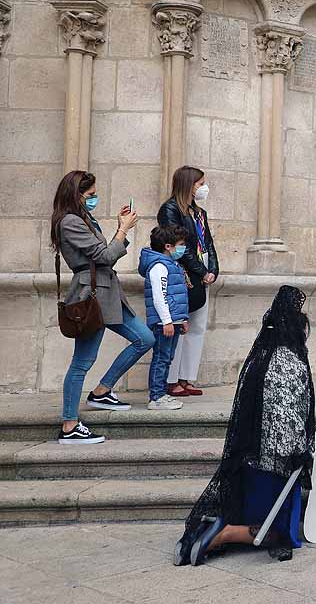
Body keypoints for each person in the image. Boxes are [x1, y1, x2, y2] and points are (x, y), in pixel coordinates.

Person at [175, 286, 315, 565]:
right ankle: (224, 535)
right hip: (276, 466)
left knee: (256, 513)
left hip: (249, 462)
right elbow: (286, 420)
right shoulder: (290, 362)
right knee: (281, 535)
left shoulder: (260, 356)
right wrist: (302, 451)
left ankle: (218, 530)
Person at [51, 170, 155, 445]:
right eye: (90, 195)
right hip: (91, 296)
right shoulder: (69, 222)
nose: (94, 199)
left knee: (144, 338)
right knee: (82, 362)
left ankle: (101, 391)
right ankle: (69, 425)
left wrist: (120, 227)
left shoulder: (83, 218)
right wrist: (123, 229)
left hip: (107, 294)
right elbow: (104, 256)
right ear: (76, 195)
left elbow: (103, 255)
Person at [158, 166, 219, 398]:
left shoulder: (199, 213)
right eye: (200, 183)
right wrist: (201, 271)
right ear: (188, 184)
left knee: (197, 327)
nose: (204, 187)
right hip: (183, 273)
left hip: (202, 273)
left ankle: (187, 378)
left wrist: (213, 269)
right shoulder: (170, 209)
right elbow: (178, 246)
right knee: (179, 326)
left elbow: (208, 244)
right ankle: (172, 380)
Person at [140, 225, 192, 411]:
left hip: (173, 321)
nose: (183, 248)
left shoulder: (172, 264)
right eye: (181, 244)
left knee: (167, 357)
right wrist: (167, 321)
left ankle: (161, 393)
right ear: (168, 246)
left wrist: (181, 319)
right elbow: (159, 296)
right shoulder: (159, 266)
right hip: (164, 322)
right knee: (161, 358)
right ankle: (157, 396)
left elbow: (176, 295)